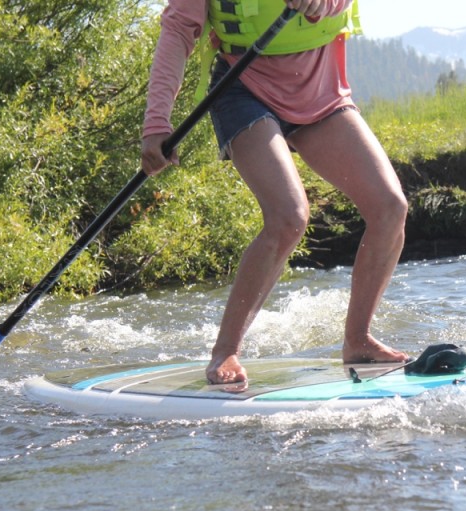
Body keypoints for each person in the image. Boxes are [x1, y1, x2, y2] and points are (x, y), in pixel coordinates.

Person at [141, 0, 409, 384]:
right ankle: (225, 352)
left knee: (390, 208)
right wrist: (157, 121)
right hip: (242, 87)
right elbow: (178, 30)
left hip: (320, 90)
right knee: (288, 217)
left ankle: (358, 340)